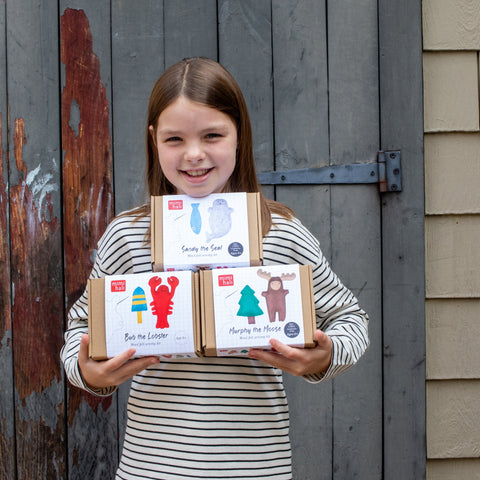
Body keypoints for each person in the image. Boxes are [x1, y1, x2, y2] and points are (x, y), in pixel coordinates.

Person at [61, 57, 369, 480]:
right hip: (152, 468)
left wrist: (324, 356)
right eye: (174, 139)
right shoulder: (128, 236)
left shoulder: (279, 231)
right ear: (154, 140)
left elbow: (350, 318)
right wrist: (87, 371)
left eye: (212, 135)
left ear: (238, 134)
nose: (194, 155)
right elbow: (80, 327)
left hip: (257, 469)